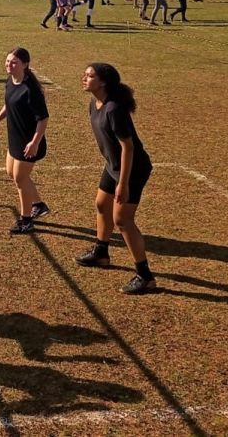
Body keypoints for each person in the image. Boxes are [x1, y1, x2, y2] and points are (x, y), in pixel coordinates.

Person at [77, 63, 156, 295]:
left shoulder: (114, 109)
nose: (84, 78)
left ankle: (145, 276)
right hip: (113, 166)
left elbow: (128, 148)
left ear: (103, 82)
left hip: (132, 169)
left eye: (90, 76)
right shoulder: (95, 102)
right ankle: (101, 252)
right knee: (102, 204)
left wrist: (123, 183)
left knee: (122, 221)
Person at [0, 47, 51, 235]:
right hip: (15, 138)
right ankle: (39, 205)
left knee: (20, 179)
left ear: (25, 64)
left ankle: (26, 220)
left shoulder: (30, 89)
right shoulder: (11, 79)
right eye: (7, 61)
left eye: (14, 62)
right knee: (12, 173)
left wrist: (34, 143)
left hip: (29, 142)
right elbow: (9, 102)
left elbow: (43, 118)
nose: (9, 65)